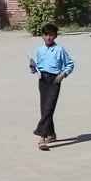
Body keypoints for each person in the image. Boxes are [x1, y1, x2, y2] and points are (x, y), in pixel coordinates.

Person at [29, 22, 74, 151]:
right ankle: (51, 134)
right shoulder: (40, 50)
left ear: (55, 36)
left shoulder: (60, 50)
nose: (48, 37)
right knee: (45, 109)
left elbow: (70, 64)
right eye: (46, 35)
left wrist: (63, 75)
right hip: (42, 80)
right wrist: (33, 67)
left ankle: (42, 137)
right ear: (42, 36)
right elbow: (37, 67)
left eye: (51, 35)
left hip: (54, 80)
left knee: (49, 108)